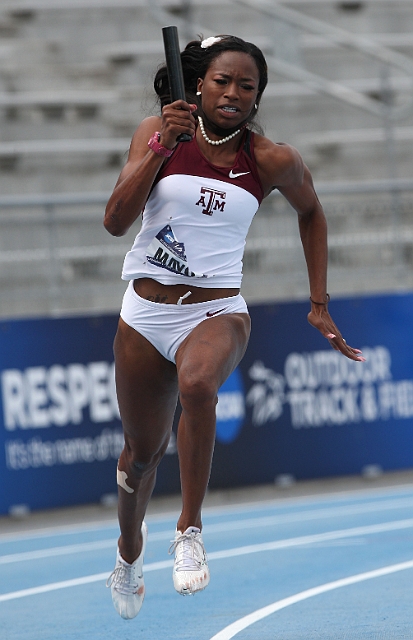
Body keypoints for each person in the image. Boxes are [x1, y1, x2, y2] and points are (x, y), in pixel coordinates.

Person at [104, 34, 365, 620]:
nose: (233, 93)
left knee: (198, 385)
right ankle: (128, 553)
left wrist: (318, 301)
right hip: (144, 315)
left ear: (257, 97)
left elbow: (313, 212)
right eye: (222, 81)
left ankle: (189, 531)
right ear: (198, 84)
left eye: (247, 86)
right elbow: (115, 221)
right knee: (139, 458)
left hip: (216, 311)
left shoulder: (271, 159)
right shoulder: (159, 132)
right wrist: (157, 147)